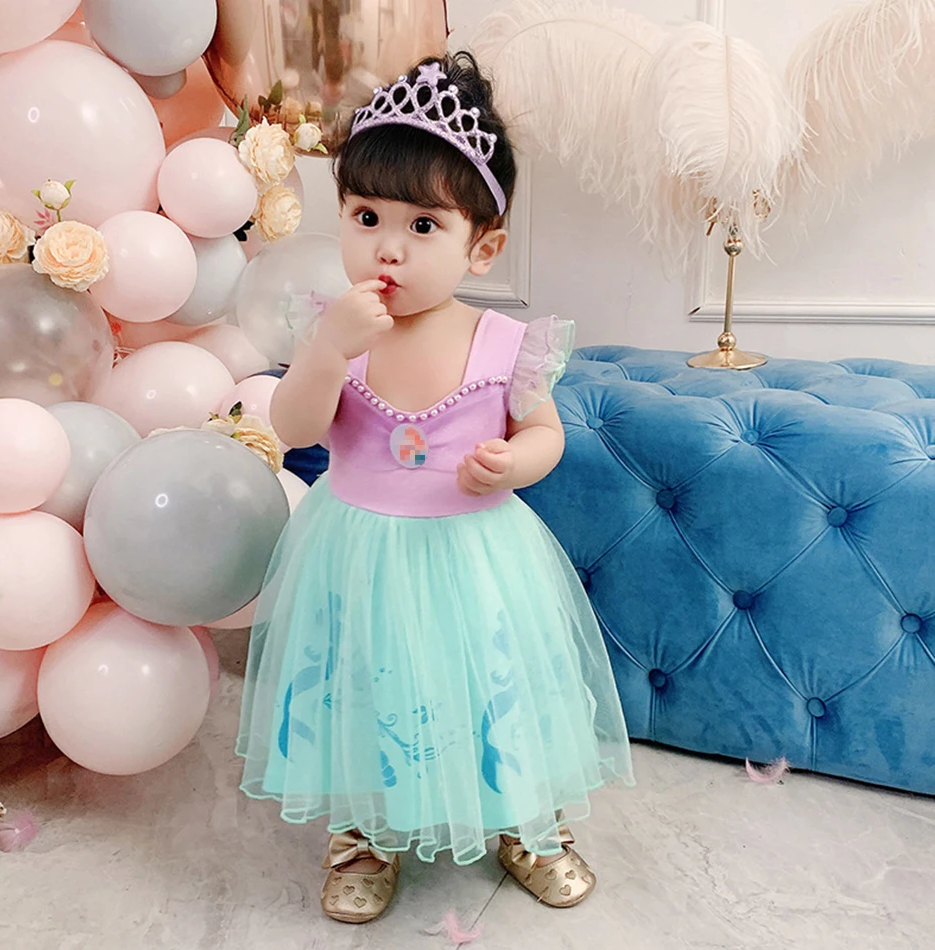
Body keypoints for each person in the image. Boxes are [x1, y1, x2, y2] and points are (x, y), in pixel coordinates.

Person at [236, 51, 634, 925]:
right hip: (356, 550)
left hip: (474, 551)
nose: (387, 246)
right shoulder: (334, 329)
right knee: (362, 686)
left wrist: (517, 463)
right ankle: (363, 832)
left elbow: (545, 432)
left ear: (481, 246)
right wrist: (327, 352)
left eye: (423, 225)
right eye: (366, 216)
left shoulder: (504, 343)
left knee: (493, 683)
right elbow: (296, 427)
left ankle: (525, 822)